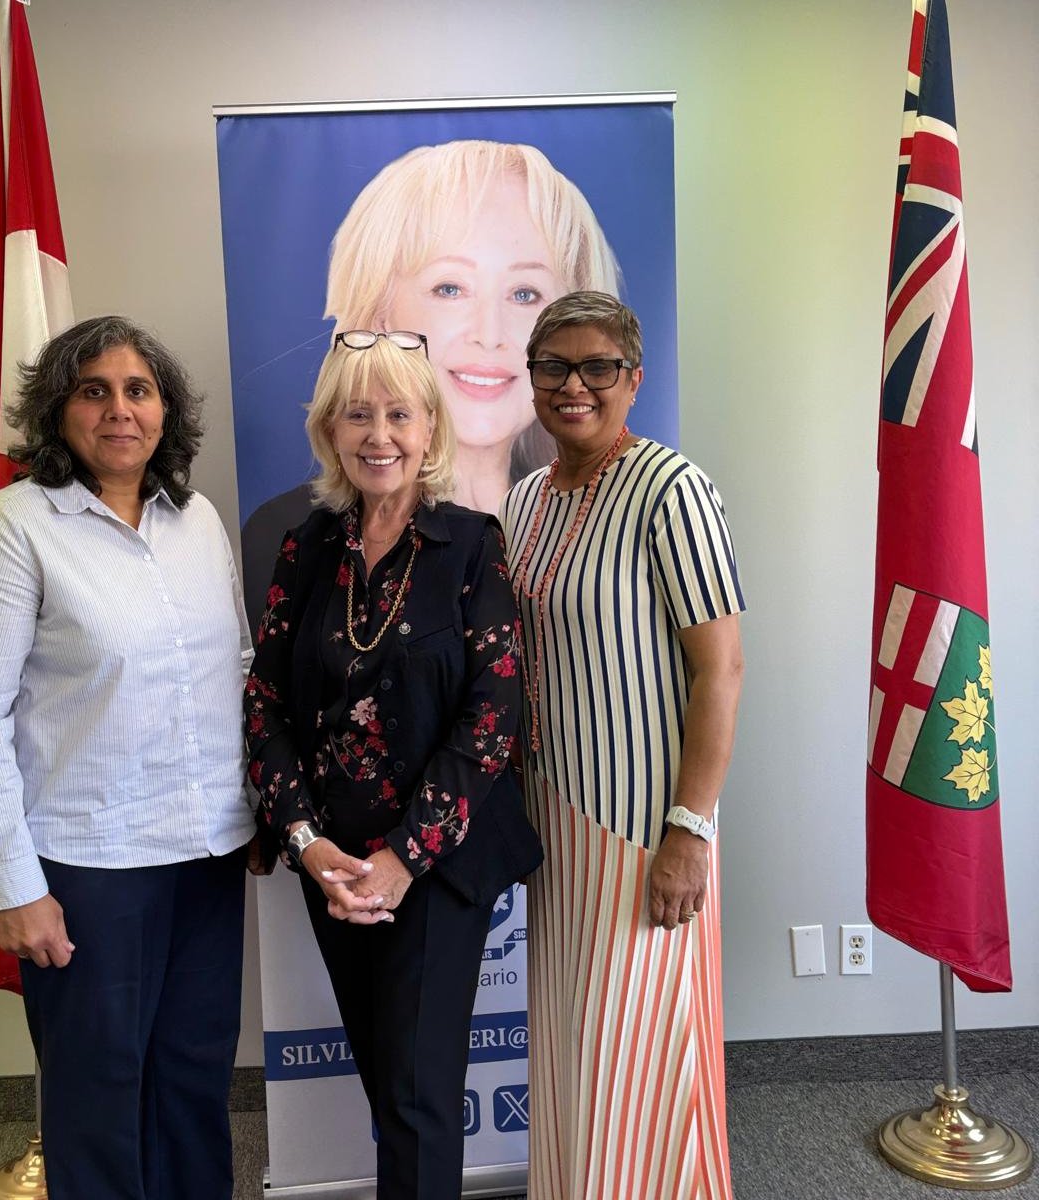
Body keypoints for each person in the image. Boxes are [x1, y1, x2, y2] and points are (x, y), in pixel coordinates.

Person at [0, 316, 259, 1200]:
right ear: (58, 410)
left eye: (138, 390)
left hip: (206, 854)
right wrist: (14, 886)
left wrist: (259, 808)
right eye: (94, 390)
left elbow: (234, 670)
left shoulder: (196, 521)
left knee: (193, 1082)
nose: (120, 409)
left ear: (165, 410)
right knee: (98, 1101)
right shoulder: (15, 528)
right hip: (88, 868)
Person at [244, 331, 542, 1200]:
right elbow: (264, 702)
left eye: (400, 415)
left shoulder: (471, 545)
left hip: (435, 866)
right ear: (329, 430)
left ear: (429, 428)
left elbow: (493, 718)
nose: (379, 435)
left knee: (417, 1098)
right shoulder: (306, 548)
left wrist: (402, 859)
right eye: (358, 414)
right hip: (332, 866)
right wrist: (306, 842)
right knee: (388, 1082)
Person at [501, 292, 745, 1200]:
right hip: (555, 827)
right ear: (532, 380)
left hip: (643, 830)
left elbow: (722, 669)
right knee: (574, 1051)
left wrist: (690, 831)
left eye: (597, 366)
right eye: (553, 366)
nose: (575, 385)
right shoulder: (524, 501)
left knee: (639, 1060)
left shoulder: (671, 489)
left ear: (633, 379)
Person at [240, 139, 621, 626]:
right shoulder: (288, 536)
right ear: (379, 312)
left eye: (525, 293)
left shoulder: (595, 521)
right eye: (450, 288)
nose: (489, 334)